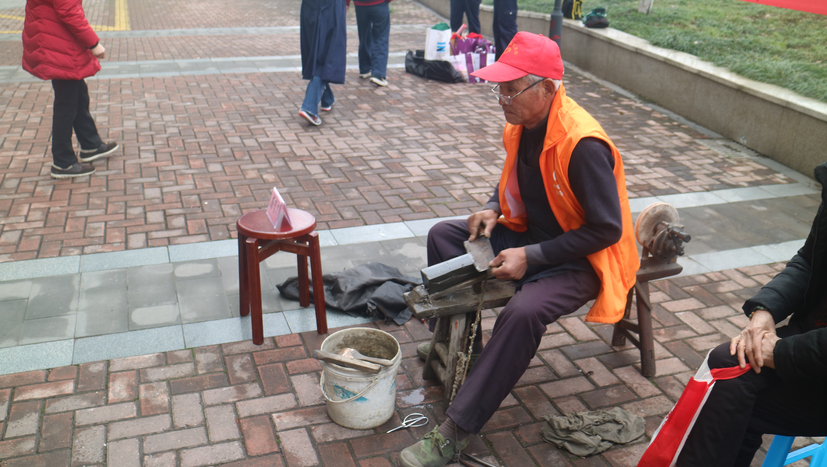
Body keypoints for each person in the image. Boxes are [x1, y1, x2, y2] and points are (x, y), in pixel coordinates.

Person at [398, 32, 639, 467]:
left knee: (523, 313)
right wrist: (493, 208)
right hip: (532, 235)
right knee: (443, 235)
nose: (501, 99)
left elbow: (607, 230)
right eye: (498, 88)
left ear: (546, 88)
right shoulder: (523, 124)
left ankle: (455, 431)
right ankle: (463, 346)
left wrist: (533, 257)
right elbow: (512, 177)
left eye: (510, 89)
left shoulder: (583, 144)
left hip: (582, 259)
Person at [672, 162, 827, 467]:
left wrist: (782, 353)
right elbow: (809, 261)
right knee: (729, 362)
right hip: (812, 342)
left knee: (733, 404)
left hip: (812, 357)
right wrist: (764, 309)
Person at [22, 0, 119, 179]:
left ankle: (91, 144)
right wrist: (93, 44)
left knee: (78, 96)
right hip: (59, 45)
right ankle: (63, 162)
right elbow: (69, 12)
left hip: (53, 40)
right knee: (66, 104)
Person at [299, 0, 347, 126]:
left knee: (315, 50)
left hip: (309, 6)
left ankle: (327, 98)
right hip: (331, 6)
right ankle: (309, 107)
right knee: (328, 53)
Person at [354, 0, 391, 87]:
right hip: (379, 3)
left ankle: (365, 69)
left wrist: (347, 3)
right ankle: (378, 74)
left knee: (363, 35)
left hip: (360, 4)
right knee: (381, 37)